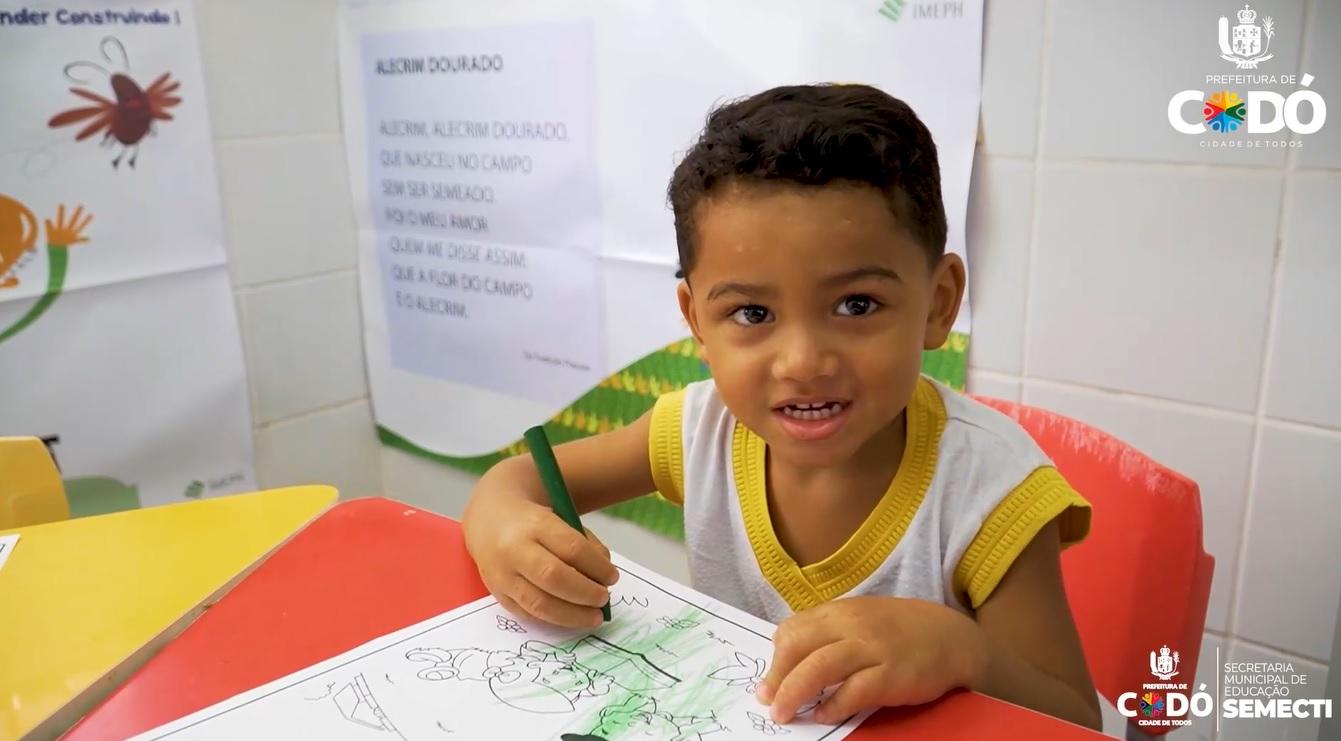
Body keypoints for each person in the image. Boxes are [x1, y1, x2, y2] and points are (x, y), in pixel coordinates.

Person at [463, 83, 1101, 730]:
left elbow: (1075, 718)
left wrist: (962, 651)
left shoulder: (990, 492)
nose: (800, 361)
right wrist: (499, 520)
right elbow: (515, 482)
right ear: (697, 322)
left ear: (938, 304)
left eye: (856, 304)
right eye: (751, 313)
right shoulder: (697, 429)